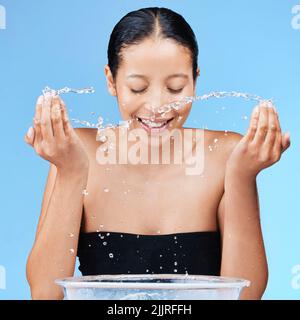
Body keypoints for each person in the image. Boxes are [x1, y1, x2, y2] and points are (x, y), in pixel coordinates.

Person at [24, 7, 291, 300]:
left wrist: (242, 175)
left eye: (175, 88)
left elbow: (245, 296)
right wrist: (71, 171)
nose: (157, 105)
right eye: (138, 88)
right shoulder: (78, 152)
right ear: (111, 81)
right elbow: (45, 293)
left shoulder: (227, 156)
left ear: (195, 79)